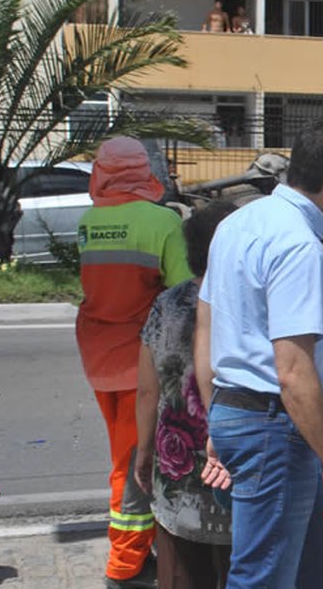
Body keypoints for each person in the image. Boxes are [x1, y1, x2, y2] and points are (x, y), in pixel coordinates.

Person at [195, 119, 323, 589]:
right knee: (261, 577)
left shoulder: (236, 223)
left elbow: (206, 329)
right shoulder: (298, 246)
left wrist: (217, 416)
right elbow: (292, 370)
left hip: (244, 414)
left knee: (318, 565)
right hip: (275, 429)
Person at [76, 137, 195, 588]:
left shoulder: (88, 222)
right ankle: (124, 566)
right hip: (138, 360)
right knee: (133, 463)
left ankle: (136, 549)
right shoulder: (162, 221)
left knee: (121, 452)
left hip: (98, 355)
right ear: (142, 171)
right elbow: (182, 293)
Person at [135, 201, 237, 589]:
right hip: (234, 465)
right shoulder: (249, 305)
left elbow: (148, 390)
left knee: (182, 573)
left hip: (177, 469)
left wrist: (144, 452)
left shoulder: (167, 305)